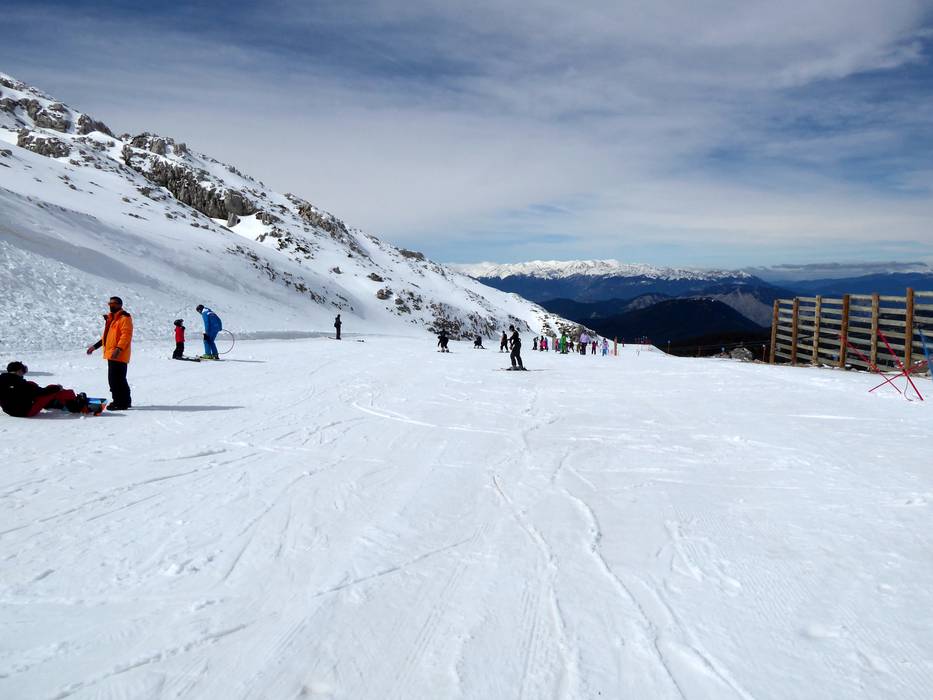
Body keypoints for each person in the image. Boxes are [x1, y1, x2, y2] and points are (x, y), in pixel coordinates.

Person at [86, 296, 133, 410]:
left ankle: (119, 402)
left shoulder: (124, 318)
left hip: (118, 354)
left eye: (114, 304)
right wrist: (95, 347)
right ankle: (125, 401)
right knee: (118, 379)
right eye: (110, 304)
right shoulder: (112, 319)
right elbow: (106, 337)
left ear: (119, 305)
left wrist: (118, 349)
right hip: (112, 353)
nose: (111, 305)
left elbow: (126, 335)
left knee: (116, 380)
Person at [0, 361, 95, 417]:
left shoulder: (2, 380)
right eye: (22, 371)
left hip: (9, 411)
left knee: (32, 384)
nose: (23, 374)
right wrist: (57, 388)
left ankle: (51, 403)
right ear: (18, 371)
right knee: (53, 390)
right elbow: (43, 392)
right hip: (26, 412)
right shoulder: (21, 383)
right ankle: (78, 406)